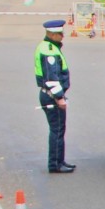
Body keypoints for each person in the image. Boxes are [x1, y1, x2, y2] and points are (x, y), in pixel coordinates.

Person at [34, 20, 75, 174]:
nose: (62, 36)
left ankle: (59, 160)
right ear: (51, 34)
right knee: (57, 129)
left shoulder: (49, 47)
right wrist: (59, 97)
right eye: (60, 34)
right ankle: (55, 164)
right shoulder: (49, 50)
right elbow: (52, 77)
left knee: (59, 129)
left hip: (50, 94)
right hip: (51, 95)